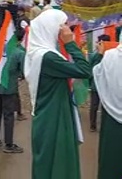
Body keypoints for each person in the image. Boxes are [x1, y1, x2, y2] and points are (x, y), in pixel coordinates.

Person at [24, 9, 91, 179]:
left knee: (48, 161)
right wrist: (70, 44)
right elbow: (85, 70)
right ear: (51, 28)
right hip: (54, 115)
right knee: (58, 160)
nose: (66, 29)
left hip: (49, 113)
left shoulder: (36, 52)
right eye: (62, 25)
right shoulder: (48, 57)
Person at [0, 25, 25, 153]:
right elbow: (23, 72)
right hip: (8, 87)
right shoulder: (19, 52)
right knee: (8, 115)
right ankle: (8, 144)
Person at [93, 33, 122, 179]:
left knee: (110, 158)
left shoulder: (110, 56)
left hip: (111, 115)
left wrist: (99, 54)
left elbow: (97, 73)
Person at [89, 34, 111, 132]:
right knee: (94, 106)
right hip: (97, 85)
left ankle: (103, 126)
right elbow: (92, 69)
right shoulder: (95, 55)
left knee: (106, 107)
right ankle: (93, 125)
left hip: (106, 85)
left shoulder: (111, 55)